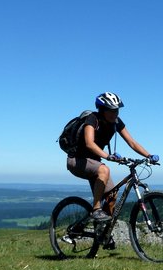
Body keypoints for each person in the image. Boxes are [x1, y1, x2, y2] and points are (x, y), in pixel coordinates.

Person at [66, 92, 154, 223]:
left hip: (94, 163)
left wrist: (149, 155)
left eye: (116, 110)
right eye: (111, 110)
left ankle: (103, 235)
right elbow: (89, 143)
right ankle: (96, 210)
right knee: (104, 170)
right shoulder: (92, 119)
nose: (115, 113)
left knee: (111, 197)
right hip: (77, 160)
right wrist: (108, 156)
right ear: (102, 110)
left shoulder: (116, 122)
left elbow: (132, 142)